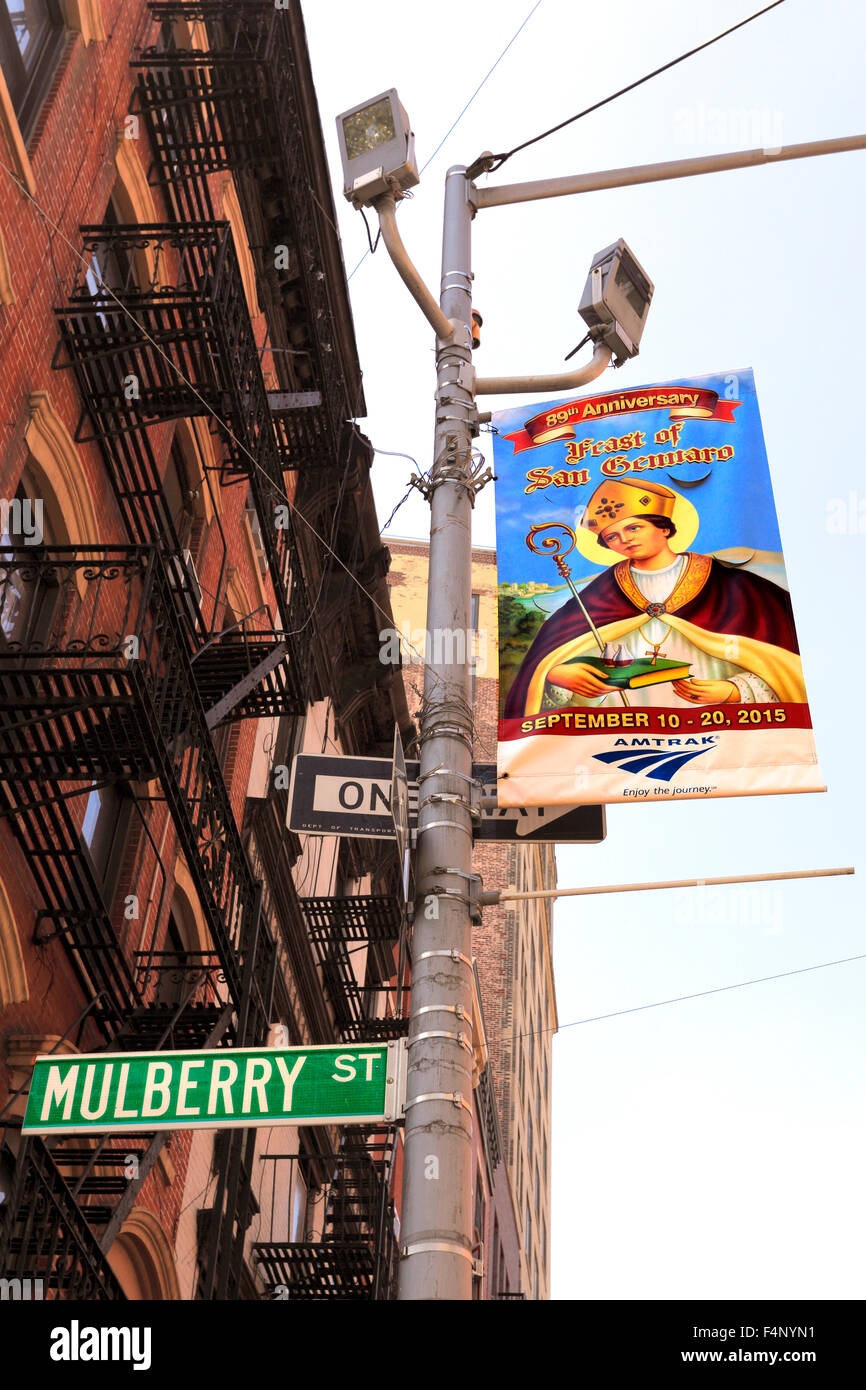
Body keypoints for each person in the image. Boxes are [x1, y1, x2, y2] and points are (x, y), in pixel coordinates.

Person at [503, 475, 807, 717]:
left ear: (664, 528)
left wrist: (735, 690)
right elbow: (548, 654)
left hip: (717, 729)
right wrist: (558, 673)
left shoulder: (730, 584)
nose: (624, 539)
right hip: (617, 727)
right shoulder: (604, 590)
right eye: (612, 537)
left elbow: (787, 661)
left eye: (634, 527)